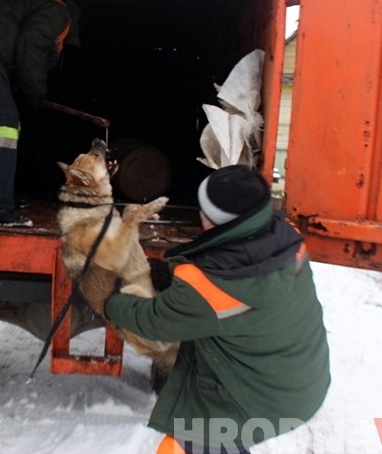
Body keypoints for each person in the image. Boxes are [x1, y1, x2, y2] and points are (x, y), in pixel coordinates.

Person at [101, 165, 331, 454]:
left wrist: (110, 301)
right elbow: (237, 275)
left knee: (177, 448)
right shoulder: (285, 235)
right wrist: (173, 275)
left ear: (208, 220)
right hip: (301, 380)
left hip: (263, 403)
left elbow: (153, 321)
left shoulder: (210, 287)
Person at [0, 0, 81, 227]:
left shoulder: (37, 3)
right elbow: (32, 43)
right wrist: (35, 91)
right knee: (3, 123)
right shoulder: (58, 11)